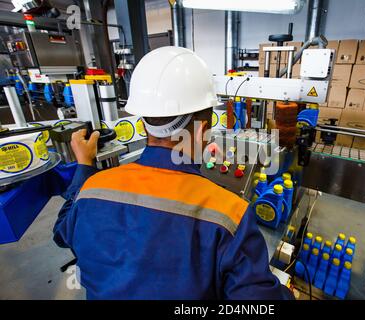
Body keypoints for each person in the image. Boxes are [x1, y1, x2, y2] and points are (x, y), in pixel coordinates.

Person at [53, 46, 293, 300]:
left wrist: (84, 167)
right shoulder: (229, 215)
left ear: (144, 121)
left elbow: (61, 232)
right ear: (204, 130)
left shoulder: (92, 188)